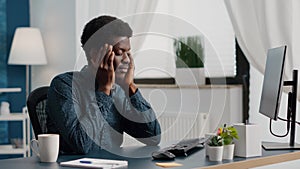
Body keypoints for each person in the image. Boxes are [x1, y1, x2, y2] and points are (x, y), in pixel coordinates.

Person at [46, 15, 161, 154]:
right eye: (119, 52)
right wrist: (104, 90)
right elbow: (82, 145)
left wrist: (130, 87)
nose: (127, 60)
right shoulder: (64, 86)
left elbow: (153, 137)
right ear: (95, 54)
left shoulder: (118, 90)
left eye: (128, 53)